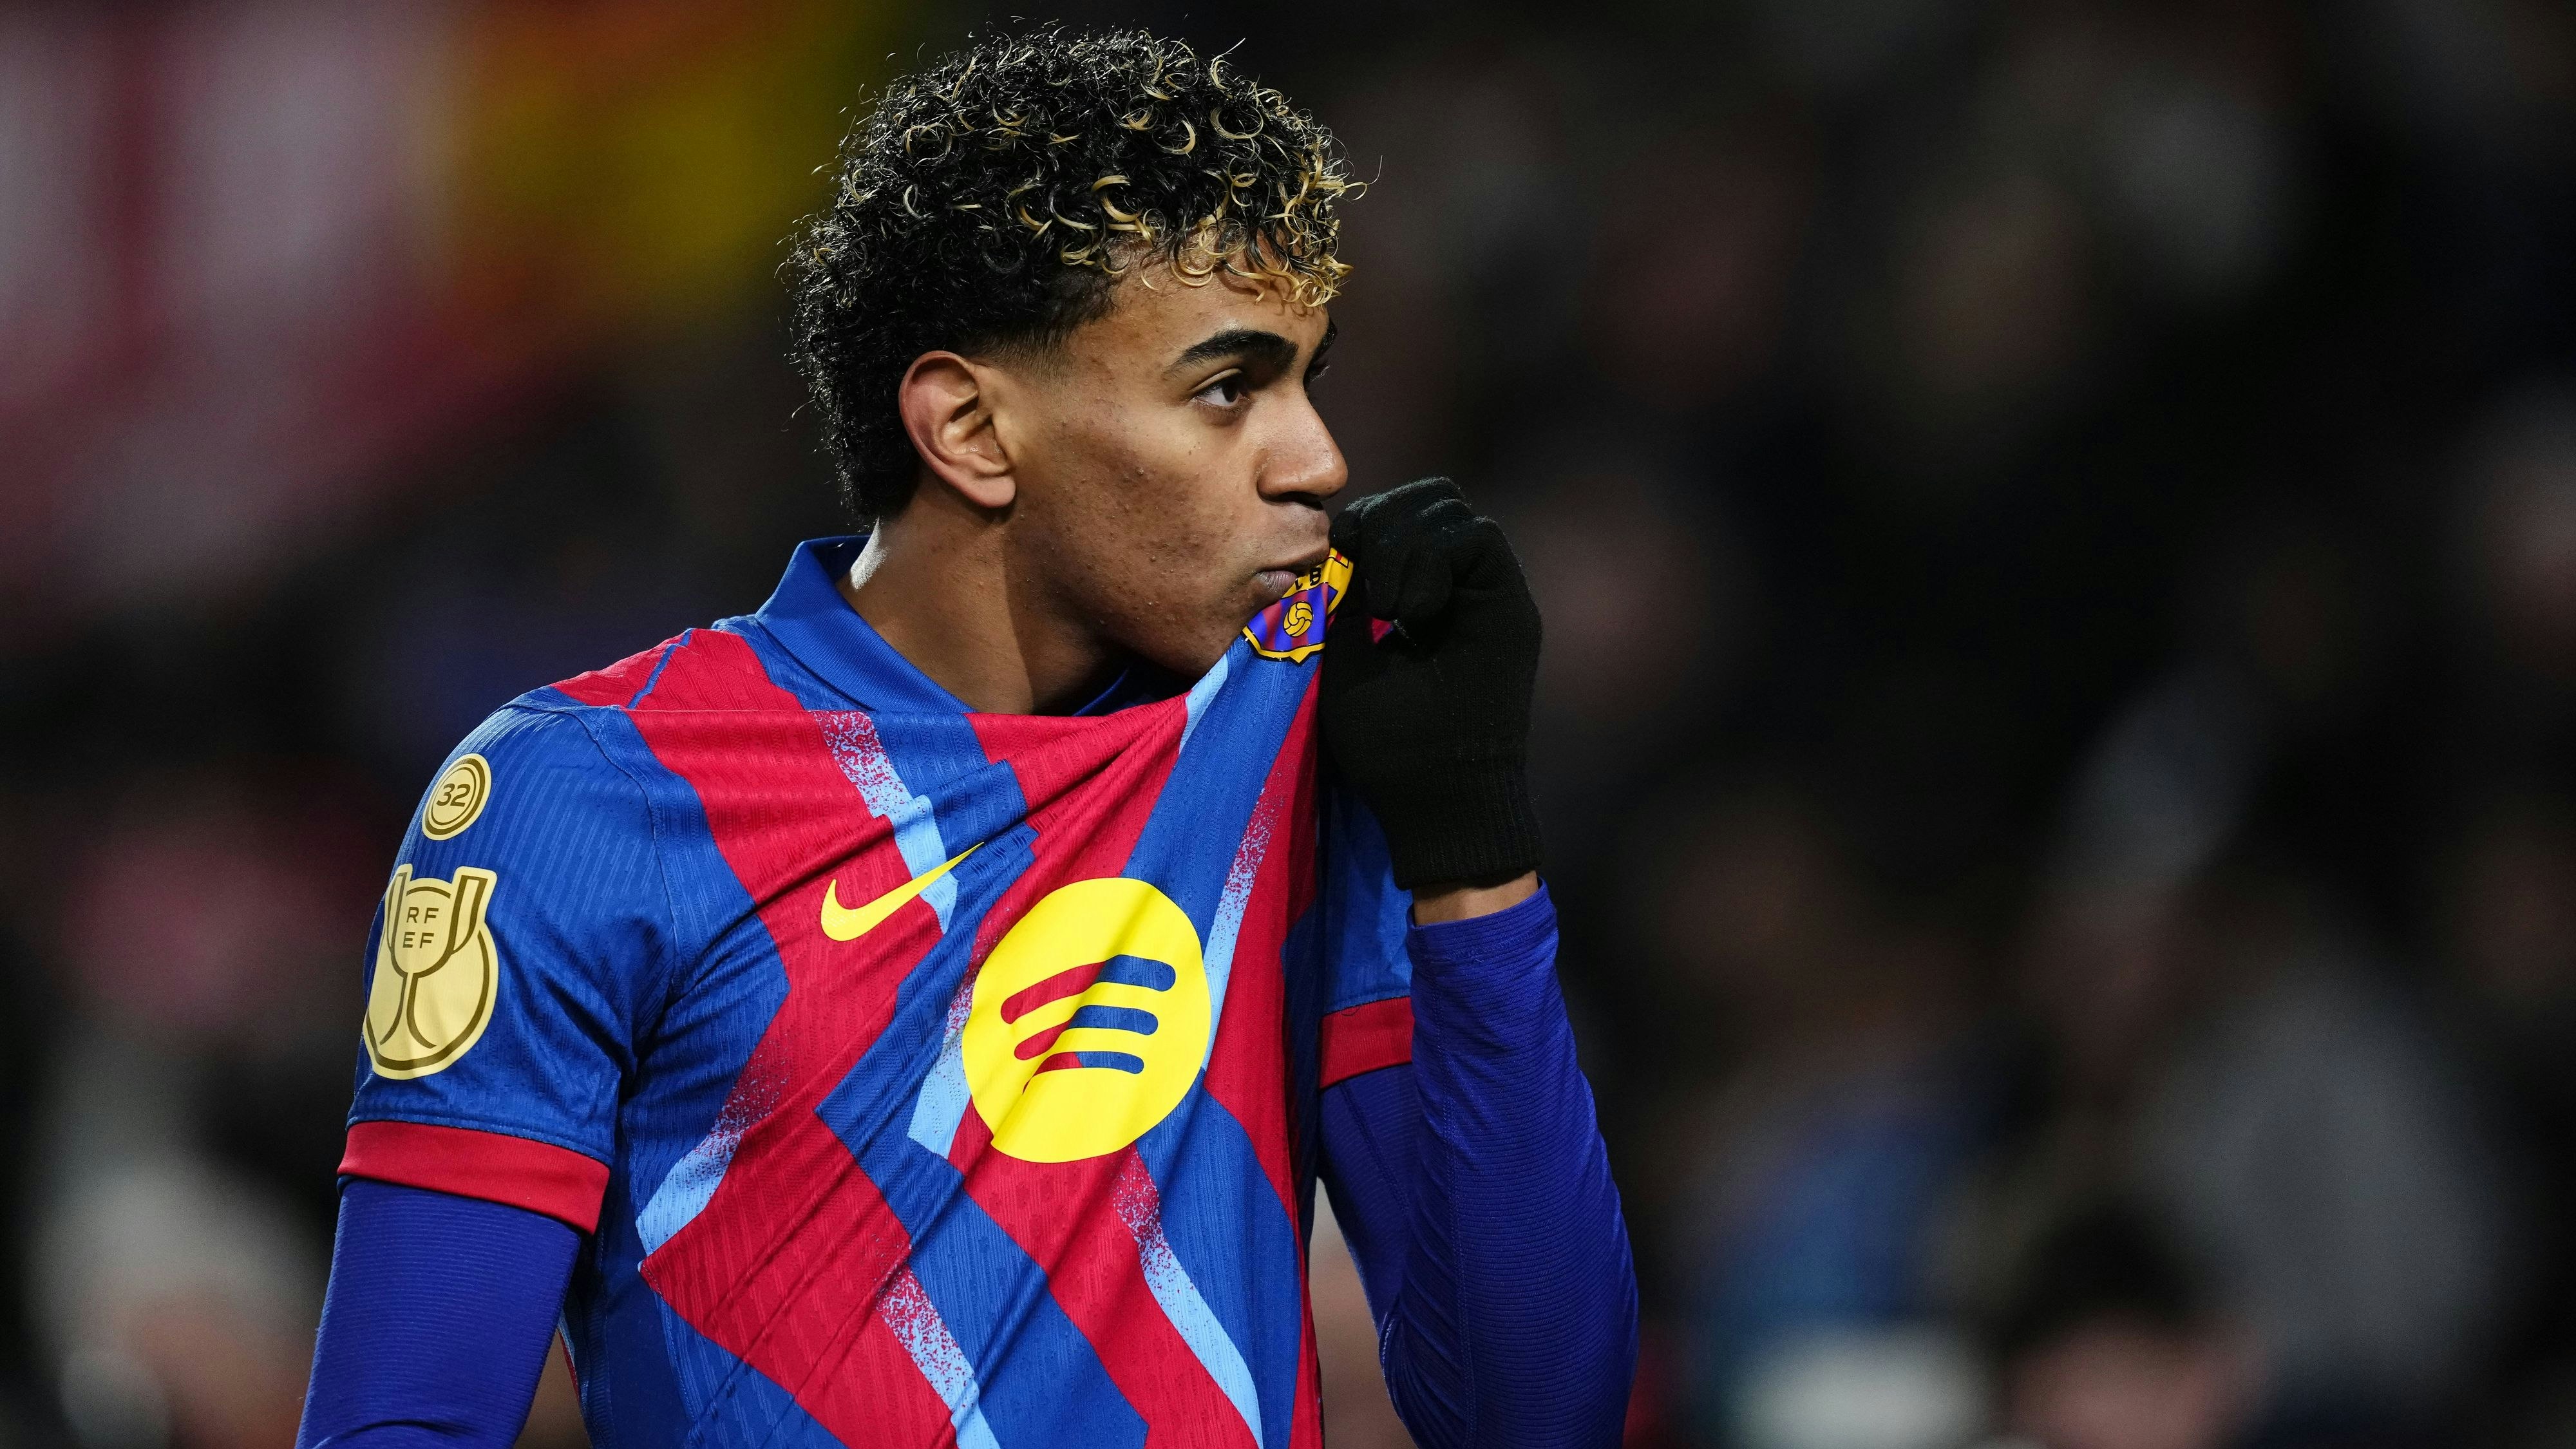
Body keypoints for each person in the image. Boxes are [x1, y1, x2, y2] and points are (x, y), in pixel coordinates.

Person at [294, 28, 1637, 1449]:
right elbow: (406, 1424)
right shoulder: (583, 797)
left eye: (1308, 382)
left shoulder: (1297, 748)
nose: (1319, 461)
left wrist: (1472, 848)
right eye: (1227, 388)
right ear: (971, 430)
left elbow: (1533, 1414)